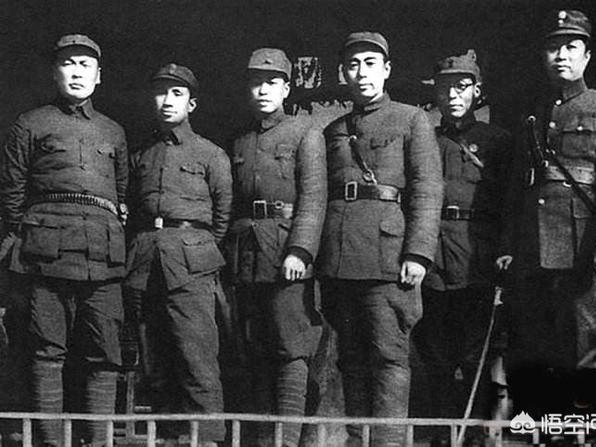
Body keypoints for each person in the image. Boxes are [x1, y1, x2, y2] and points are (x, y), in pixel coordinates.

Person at [504, 10, 596, 416]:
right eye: (553, 48)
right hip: (533, 248)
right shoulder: (534, 113)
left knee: (590, 345)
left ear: (587, 55)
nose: (561, 55)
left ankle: (591, 432)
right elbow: (519, 187)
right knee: (539, 346)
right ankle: (551, 430)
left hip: (583, 246)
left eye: (571, 46)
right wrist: (509, 246)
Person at [0, 34, 128, 446]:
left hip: (103, 256)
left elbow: (120, 194)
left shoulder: (114, 131)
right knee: (46, 351)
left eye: (85, 64)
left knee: (105, 352)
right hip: (45, 254)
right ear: (55, 72)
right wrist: (31, 234)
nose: (76, 72)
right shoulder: (30, 124)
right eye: (68, 63)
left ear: (98, 75)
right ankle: (51, 443)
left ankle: (99, 442)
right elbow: (12, 194)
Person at [319, 32, 444, 446]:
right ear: (343, 73)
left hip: (389, 258)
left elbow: (427, 189)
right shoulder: (334, 130)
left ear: (387, 70)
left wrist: (418, 254)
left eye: (371, 63)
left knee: (389, 358)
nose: (362, 73)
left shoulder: (412, 120)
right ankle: (358, 440)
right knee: (351, 359)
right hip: (340, 259)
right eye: (353, 65)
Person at [125, 64, 232, 446]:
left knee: (196, 359)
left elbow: (222, 217)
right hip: (144, 264)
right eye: (161, 92)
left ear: (192, 103)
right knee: (154, 362)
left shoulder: (211, 154)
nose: (167, 101)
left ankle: (207, 440)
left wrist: (195, 252)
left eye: (177, 93)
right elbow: (132, 210)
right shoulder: (140, 155)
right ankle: (167, 439)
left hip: (192, 267)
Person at [225, 48, 326, 447]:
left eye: (272, 82)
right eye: (256, 82)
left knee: (291, 348)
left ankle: (286, 441)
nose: (263, 90)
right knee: (254, 348)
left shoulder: (306, 133)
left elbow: (314, 197)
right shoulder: (239, 139)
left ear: (286, 88)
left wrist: (300, 251)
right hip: (245, 256)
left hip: (286, 253)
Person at [412, 49, 513, 431]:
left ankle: (475, 437)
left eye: (462, 86)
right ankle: (442, 435)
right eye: (445, 88)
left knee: (476, 357)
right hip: (433, 259)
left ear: (477, 91)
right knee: (434, 356)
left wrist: (505, 251)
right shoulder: (424, 140)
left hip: (477, 259)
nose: (453, 95)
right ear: (435, 93)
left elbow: (510, 203)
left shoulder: (498, 141)